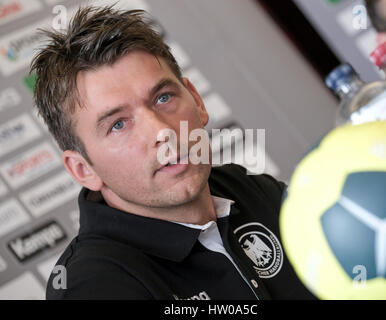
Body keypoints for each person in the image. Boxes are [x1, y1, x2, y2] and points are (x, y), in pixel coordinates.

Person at [31, 5, 314, 300]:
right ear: (83, 169)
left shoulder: (246, 188)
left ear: (196, 100)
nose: (161, 131)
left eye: (163, 98)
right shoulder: (93, 287)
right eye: (118, 125)